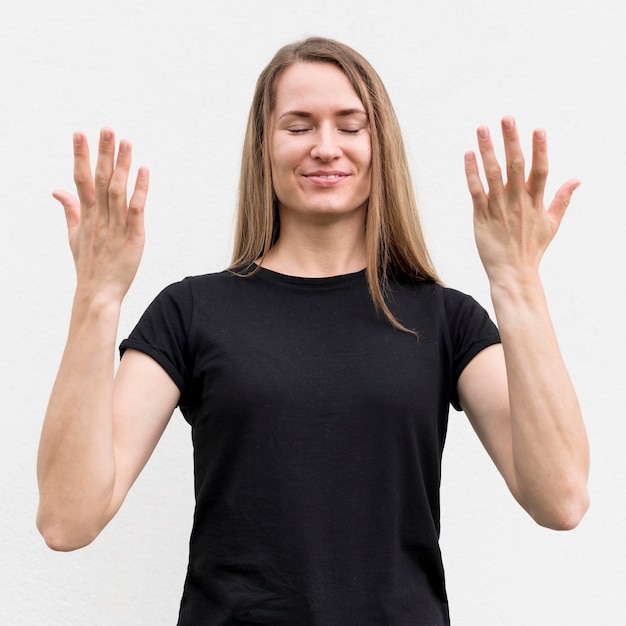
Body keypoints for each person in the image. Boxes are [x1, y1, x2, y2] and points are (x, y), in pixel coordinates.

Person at [37, 37, 589, 625]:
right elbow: (67, 520)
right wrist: (97, 296)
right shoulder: (190, 312)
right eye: (299, 126)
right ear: (264, 147)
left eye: (351, 126)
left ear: (381, 146)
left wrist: (516, 279)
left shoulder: (445, 320)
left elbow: (561, 499)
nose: (326, 148)